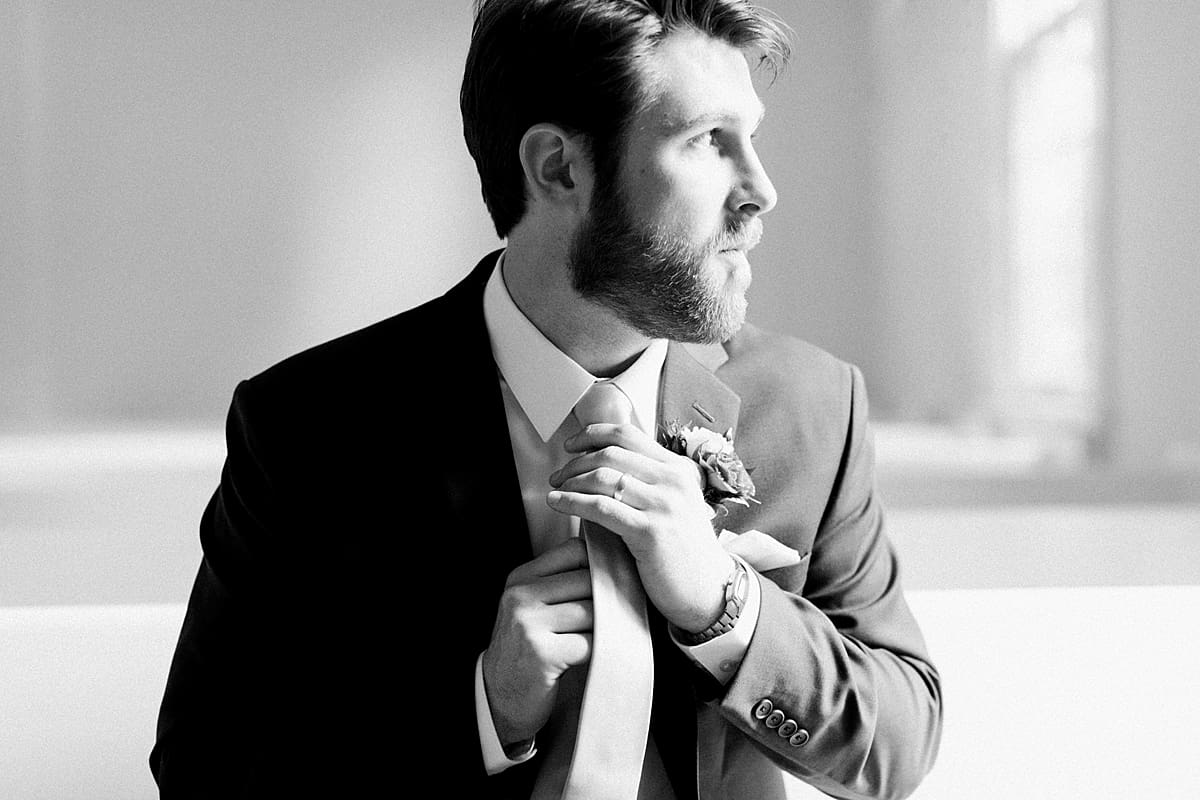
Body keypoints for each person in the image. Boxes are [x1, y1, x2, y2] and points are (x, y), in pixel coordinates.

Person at [151, 1, 942, 797]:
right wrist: (482, 711)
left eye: (752, 138)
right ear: (558, 167)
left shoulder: (812, 406)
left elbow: (898, 746)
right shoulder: (311, 427)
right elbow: (205, 770)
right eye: (707, 140)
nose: (761, 190)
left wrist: (727, 608)